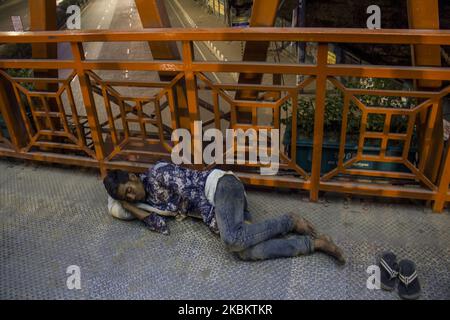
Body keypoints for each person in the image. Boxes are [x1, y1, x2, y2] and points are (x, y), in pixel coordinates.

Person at [103, 161, 346, 264]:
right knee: (245, 253)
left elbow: (195, 194)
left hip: (220, 186)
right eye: (127, 197)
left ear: (133, 177)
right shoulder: (146, 202)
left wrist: (219, 228)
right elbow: (160, 226)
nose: (132, 196)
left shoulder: (158, 174)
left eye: (129, 190)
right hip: (222, 206)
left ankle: (289, 221)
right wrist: (129, 207)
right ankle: (314, 244)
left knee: (231, 240)